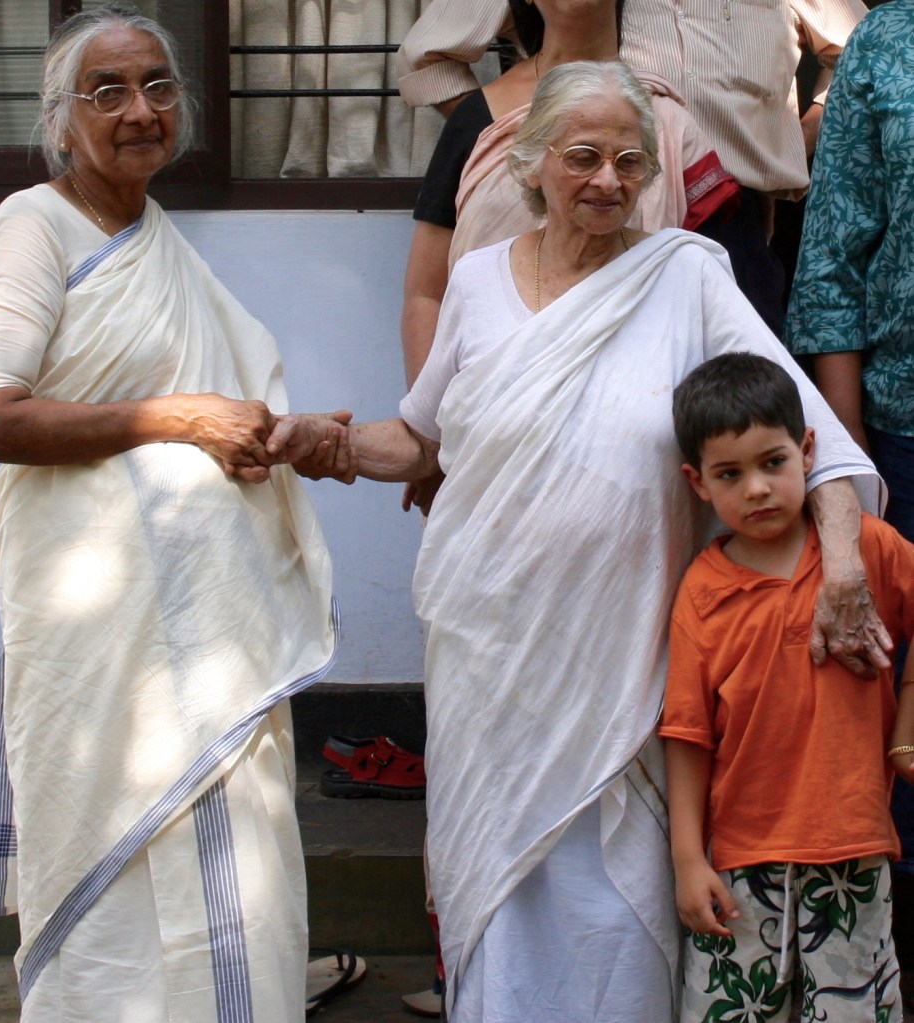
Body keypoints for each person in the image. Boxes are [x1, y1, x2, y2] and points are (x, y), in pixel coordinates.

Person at [264, 63, 890, 1022]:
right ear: (532, 161)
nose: (607, 180)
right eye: (583, 156)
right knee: (497, 891)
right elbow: (421, 437)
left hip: (622, 656)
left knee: (614, 899)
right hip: (487, 648)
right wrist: (336, 444)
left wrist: (842, 564)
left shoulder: (683, 276)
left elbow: (815, 436)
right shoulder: (474, 284)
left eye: (629, 161)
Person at [0, 6, 350, 1020]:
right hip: (104, 648)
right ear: (61, 119)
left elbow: (218, 409)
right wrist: (177, 419)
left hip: (210, 642)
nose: (140, 111)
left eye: (159, 88)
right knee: (115, 883)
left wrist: (284, 436)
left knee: (232, 879)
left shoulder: (162, 245)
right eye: (109, 92)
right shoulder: (32, 225)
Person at [662, 352, 914, 1022]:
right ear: (697, 482)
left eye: (771, 462)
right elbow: (687, 733)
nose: (755, 488)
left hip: (850, 848)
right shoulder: (702, 592)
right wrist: (688, 858)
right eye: (729, 473)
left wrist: (906, 717)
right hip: (740, 860)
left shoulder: (865, 552)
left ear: (806, 452)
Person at [396, 0, 867, 335]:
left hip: (735, 223)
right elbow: (427, 64)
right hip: (586, 213)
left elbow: (865, 55)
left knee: (738, 413)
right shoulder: (501, 129)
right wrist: (513, 150)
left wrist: (800, 138)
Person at [402, 0, 738, 388]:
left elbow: (712, 299)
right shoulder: (479, 120)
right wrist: (431, 423)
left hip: (634, 397)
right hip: (488, 401)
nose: (607, 180)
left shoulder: (669, 125)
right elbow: (426, 292)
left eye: (628, 161)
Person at [784, 3, 914, 1003]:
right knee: (894, 710)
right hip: (901, 428)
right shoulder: (886, 41)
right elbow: (829, 253)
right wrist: (847, 453)